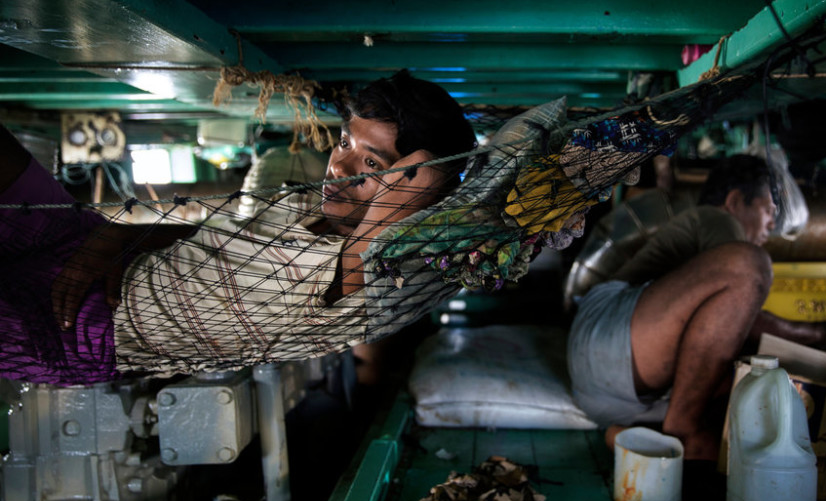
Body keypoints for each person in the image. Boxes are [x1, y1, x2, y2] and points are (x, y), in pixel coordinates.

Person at [0, 70, 476, 385]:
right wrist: (120, 234)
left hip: (85, 331)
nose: (340, 168)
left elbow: (429, 171)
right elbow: (217, 246)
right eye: (345, 142)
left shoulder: (367, 273)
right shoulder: (309, 200)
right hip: (92, 250)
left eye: (371, 164)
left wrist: (440, 166)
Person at [567, 154, 826, 463]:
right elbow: (745, 313)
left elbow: (723, 329)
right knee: (750, 265)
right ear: (735, 200)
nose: (771, 224)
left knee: (744, 386)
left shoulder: (708, 242)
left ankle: (645, 436)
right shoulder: (717, 218)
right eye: (767, 210)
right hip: (606, 336)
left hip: (611, 392)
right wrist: (819, 332)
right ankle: (682, 429)